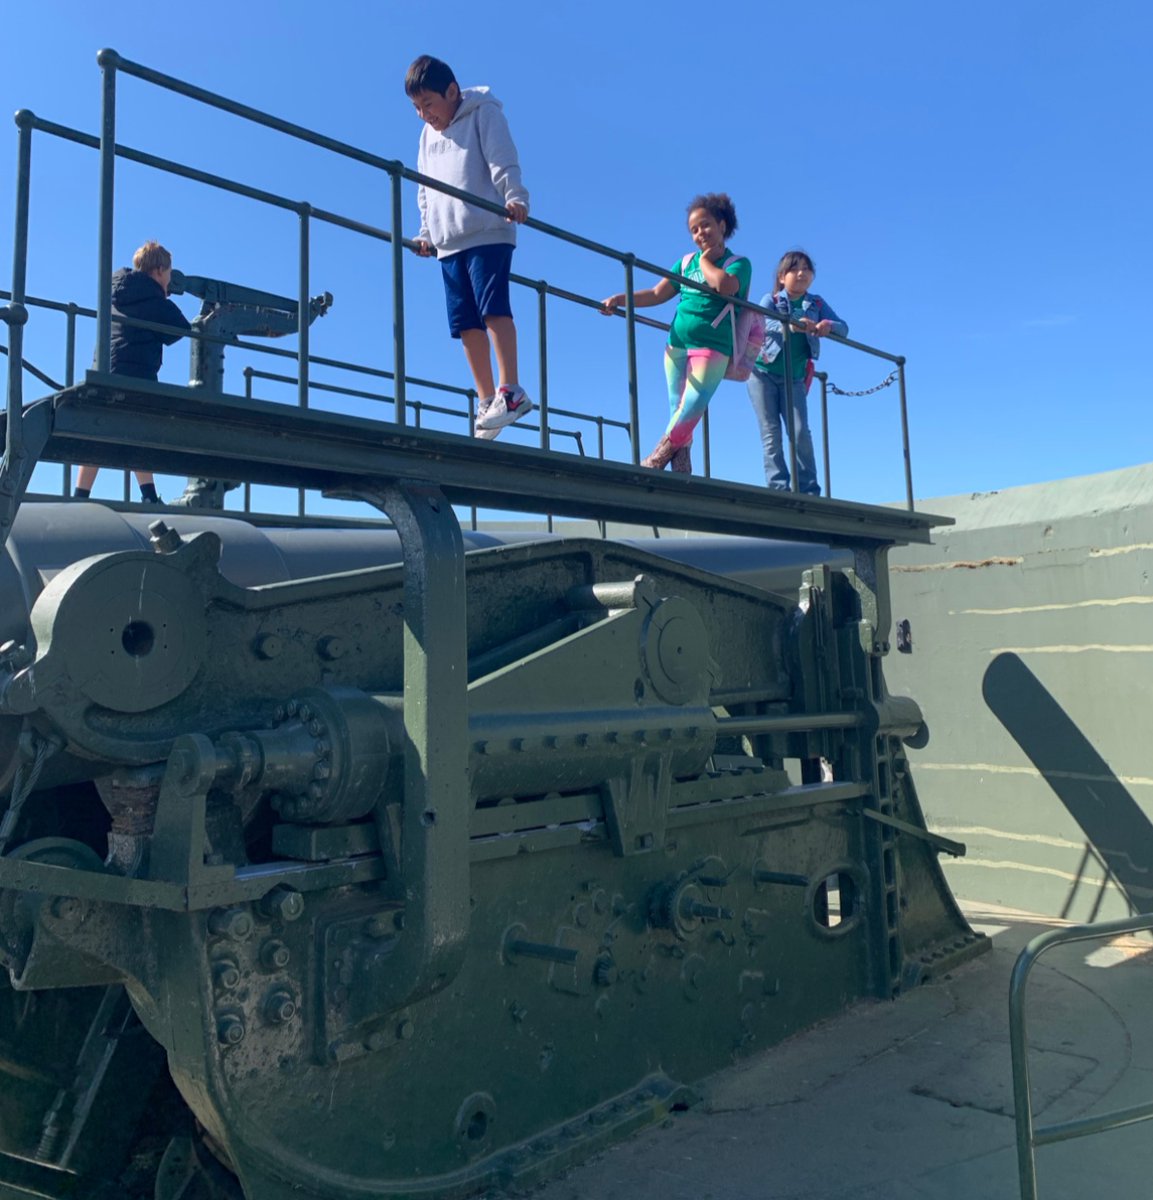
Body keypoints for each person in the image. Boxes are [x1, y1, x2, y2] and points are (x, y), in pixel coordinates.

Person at [405, 54, 533, 439]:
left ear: (452, 92)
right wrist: (426, 232)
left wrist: (516, 198)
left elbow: (502, 158)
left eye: (429, 104)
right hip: (448, 241)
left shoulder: (484, 112)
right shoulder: (427, 137)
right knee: (464, 324)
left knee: (493, 309)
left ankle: (511, 391)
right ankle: (487, 400)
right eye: (416, 107)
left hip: (487, 229)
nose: (424, 114)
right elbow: (425, 189)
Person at [600, 194, 751, 473]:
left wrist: (706, 262)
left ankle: (655, 460)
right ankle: (682, 471)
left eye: (705, 225)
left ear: (721, 224)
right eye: (693, 230)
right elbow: (657, 293)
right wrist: (621, 299)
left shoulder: (738, 263)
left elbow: (726, 287)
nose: (699, 234)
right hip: (676, 345)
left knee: (691, 407)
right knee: (677, 409)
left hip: (713, 346)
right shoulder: (684, 264)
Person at [75, 240, 191, 502]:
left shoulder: (117, 292)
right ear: (160, 270)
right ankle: (149, 496)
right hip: (136, 377)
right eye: (169, 273)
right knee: (138, 433)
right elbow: (181, 330)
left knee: (98, 433)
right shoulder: (152, 297)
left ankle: (80, 495)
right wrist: (165, 296)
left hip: (104, 372)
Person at [747, 250, 847, 495]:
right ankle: (778, 488)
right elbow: (761, 323)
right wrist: (789, 324)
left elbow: (844, 328)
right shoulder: (771, 300)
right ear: (782, 277)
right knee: (771, 433)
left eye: (806, 268)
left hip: (794, 378)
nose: (801, 273)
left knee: (800, 431)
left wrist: (827, 326)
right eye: (794, 269)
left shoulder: (817, 303)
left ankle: (809, 489)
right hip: (763, 373)